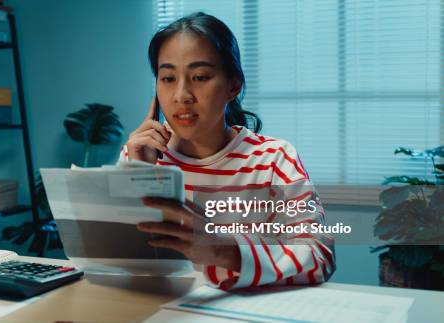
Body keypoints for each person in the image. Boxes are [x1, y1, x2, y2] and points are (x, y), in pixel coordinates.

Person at [118, 12, 335, 290]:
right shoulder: (139, 156)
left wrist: (224, 250)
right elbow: (117, 263)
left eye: (199, 76)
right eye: (168, 78)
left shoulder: (274, 159)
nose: (181, 95)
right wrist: (139, 176)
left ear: (233, 85)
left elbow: (319, 256)